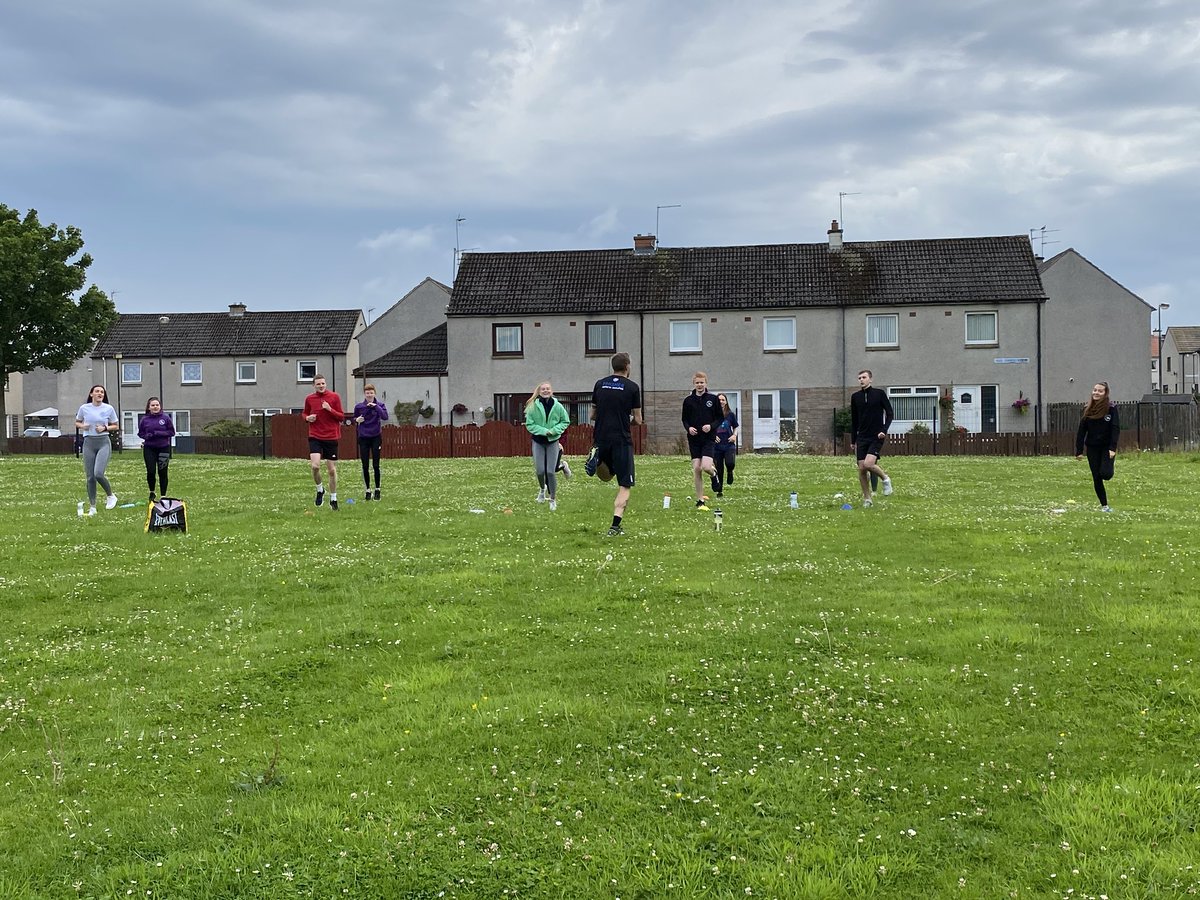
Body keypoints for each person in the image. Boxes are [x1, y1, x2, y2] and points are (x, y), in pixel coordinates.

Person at [586, 352, 643, 536]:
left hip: (601, 437)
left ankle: (597, 460)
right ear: (627, 366)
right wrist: (629, 421)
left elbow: (592, 415)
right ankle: (615, 525)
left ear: (613, 366)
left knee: (606, 476)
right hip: (621, 440)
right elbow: (639, 419)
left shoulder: (599, 384)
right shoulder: (632, 387)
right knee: (625, 485)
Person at [849, 369, 894, 507]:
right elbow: (854, 419)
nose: (861, 380)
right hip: (861, 437)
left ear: (870, 379)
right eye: (859, 378)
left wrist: (884, 430)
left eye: (864, 377)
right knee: (862, 469)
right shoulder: (855, 397)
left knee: (869, 464)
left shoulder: (879, 394)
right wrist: (853, 440)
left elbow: (890, 414)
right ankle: (867, 499)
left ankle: (885, 479)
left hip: (876, 436)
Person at [524, 381, 570, 511]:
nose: (545, 391)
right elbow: (530, 424)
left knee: (550, 471)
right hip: (538, 441)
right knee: (540, 471)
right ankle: (542, 490)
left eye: (548, 389)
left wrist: (554, 431)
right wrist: (544, 431)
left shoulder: (558, 406)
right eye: (543, 389)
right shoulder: (532, 407)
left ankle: (553, 499)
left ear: (551, 391)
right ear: (539, 392)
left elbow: (565, 421)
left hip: (553, 441)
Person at [1075, 381, 1120, 512]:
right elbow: (1081, 431)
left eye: (1100, 391)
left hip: (1106, 447)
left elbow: (1115, 428)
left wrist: (1113, 448)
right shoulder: (1087, 409)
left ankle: (1109, 467)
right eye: (1095, 390)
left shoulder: (1111, 408)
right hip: (1092, 448)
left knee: (1105, 474)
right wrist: (1079, 451)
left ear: (1105, 394)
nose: (1096, 393)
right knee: (1096, 477)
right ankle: (1104, 506)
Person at [74, 384, 118, 515]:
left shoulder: (108, 408)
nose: (100, 394)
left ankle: (111, 495)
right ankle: (92, 506)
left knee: (98, 473)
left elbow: (115, 425)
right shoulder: (84, 408)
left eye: (102, 392)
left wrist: (105, 428)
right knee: (90, 477)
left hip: (103, 442)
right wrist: (83, 426)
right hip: (88, 443)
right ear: (91, 394)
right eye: (97, 391)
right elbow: (77, 422)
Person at [303, 375, 345, 510]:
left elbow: (341, 417)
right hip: (315, 435)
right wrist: (307, 418)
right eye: (318, 384)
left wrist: (329, 409)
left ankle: (333, 498)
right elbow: (304, 414)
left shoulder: (334, 397)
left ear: (326, 384)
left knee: (331, 470)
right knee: (315, 466)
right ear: (314, 386)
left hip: (331, 436)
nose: (321, 386)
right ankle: (320, 489)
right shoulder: (310, 399)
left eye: (323, 383)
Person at [682, 372, 722, 510]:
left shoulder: (713, 399)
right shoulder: (688, 401)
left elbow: (720, 418)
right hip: (694, 439)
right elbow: (684, 419)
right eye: (697, 383)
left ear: (706, 383)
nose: (699, 385)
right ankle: (700, 500)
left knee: (705, 467)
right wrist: (689, 428)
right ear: (694, 383)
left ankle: (714, 473)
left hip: (708, 439)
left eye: (702, 382)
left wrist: (710, 426)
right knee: (697, 469)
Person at [353, 383, 389, 501]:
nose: (369, 395)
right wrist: (356, 420)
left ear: (374, 393)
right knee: (365, 465)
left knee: (376, 465)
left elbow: (385, 417)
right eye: (367, 393)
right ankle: (368, 490)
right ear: (365, 394)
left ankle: (377, 489)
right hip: (363, 437)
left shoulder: (380, 405)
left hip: (375, 437)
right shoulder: (359, 407)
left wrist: (375, 407)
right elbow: (354, 418)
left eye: (371, 393)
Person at [137, 397, 175, 502]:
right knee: (151, 471)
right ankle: (152, 492)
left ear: (160, 406)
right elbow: (140, 433)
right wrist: (147, 436)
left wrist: (159, 433)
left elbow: (171, 432)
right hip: (149, 448)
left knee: (163, 471)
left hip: (163, 448)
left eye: (157, 405)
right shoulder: (145, 419)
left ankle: (163, 495)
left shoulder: (165, 418)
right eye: (152, 405)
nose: (155, 407)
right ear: (149, 407)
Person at [711, 393, 739, 498]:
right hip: (716, 446)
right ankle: (719, 490)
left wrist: (734, 435)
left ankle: (730, 471)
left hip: (728, 444)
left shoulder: (730, 414)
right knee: (719, 469)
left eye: (723, 400)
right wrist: (713, 436)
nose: (721, 401)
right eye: (719, 400)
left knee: (730, 463)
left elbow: (735, 427)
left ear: (726, 402)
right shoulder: (711, 415)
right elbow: (708, 428)